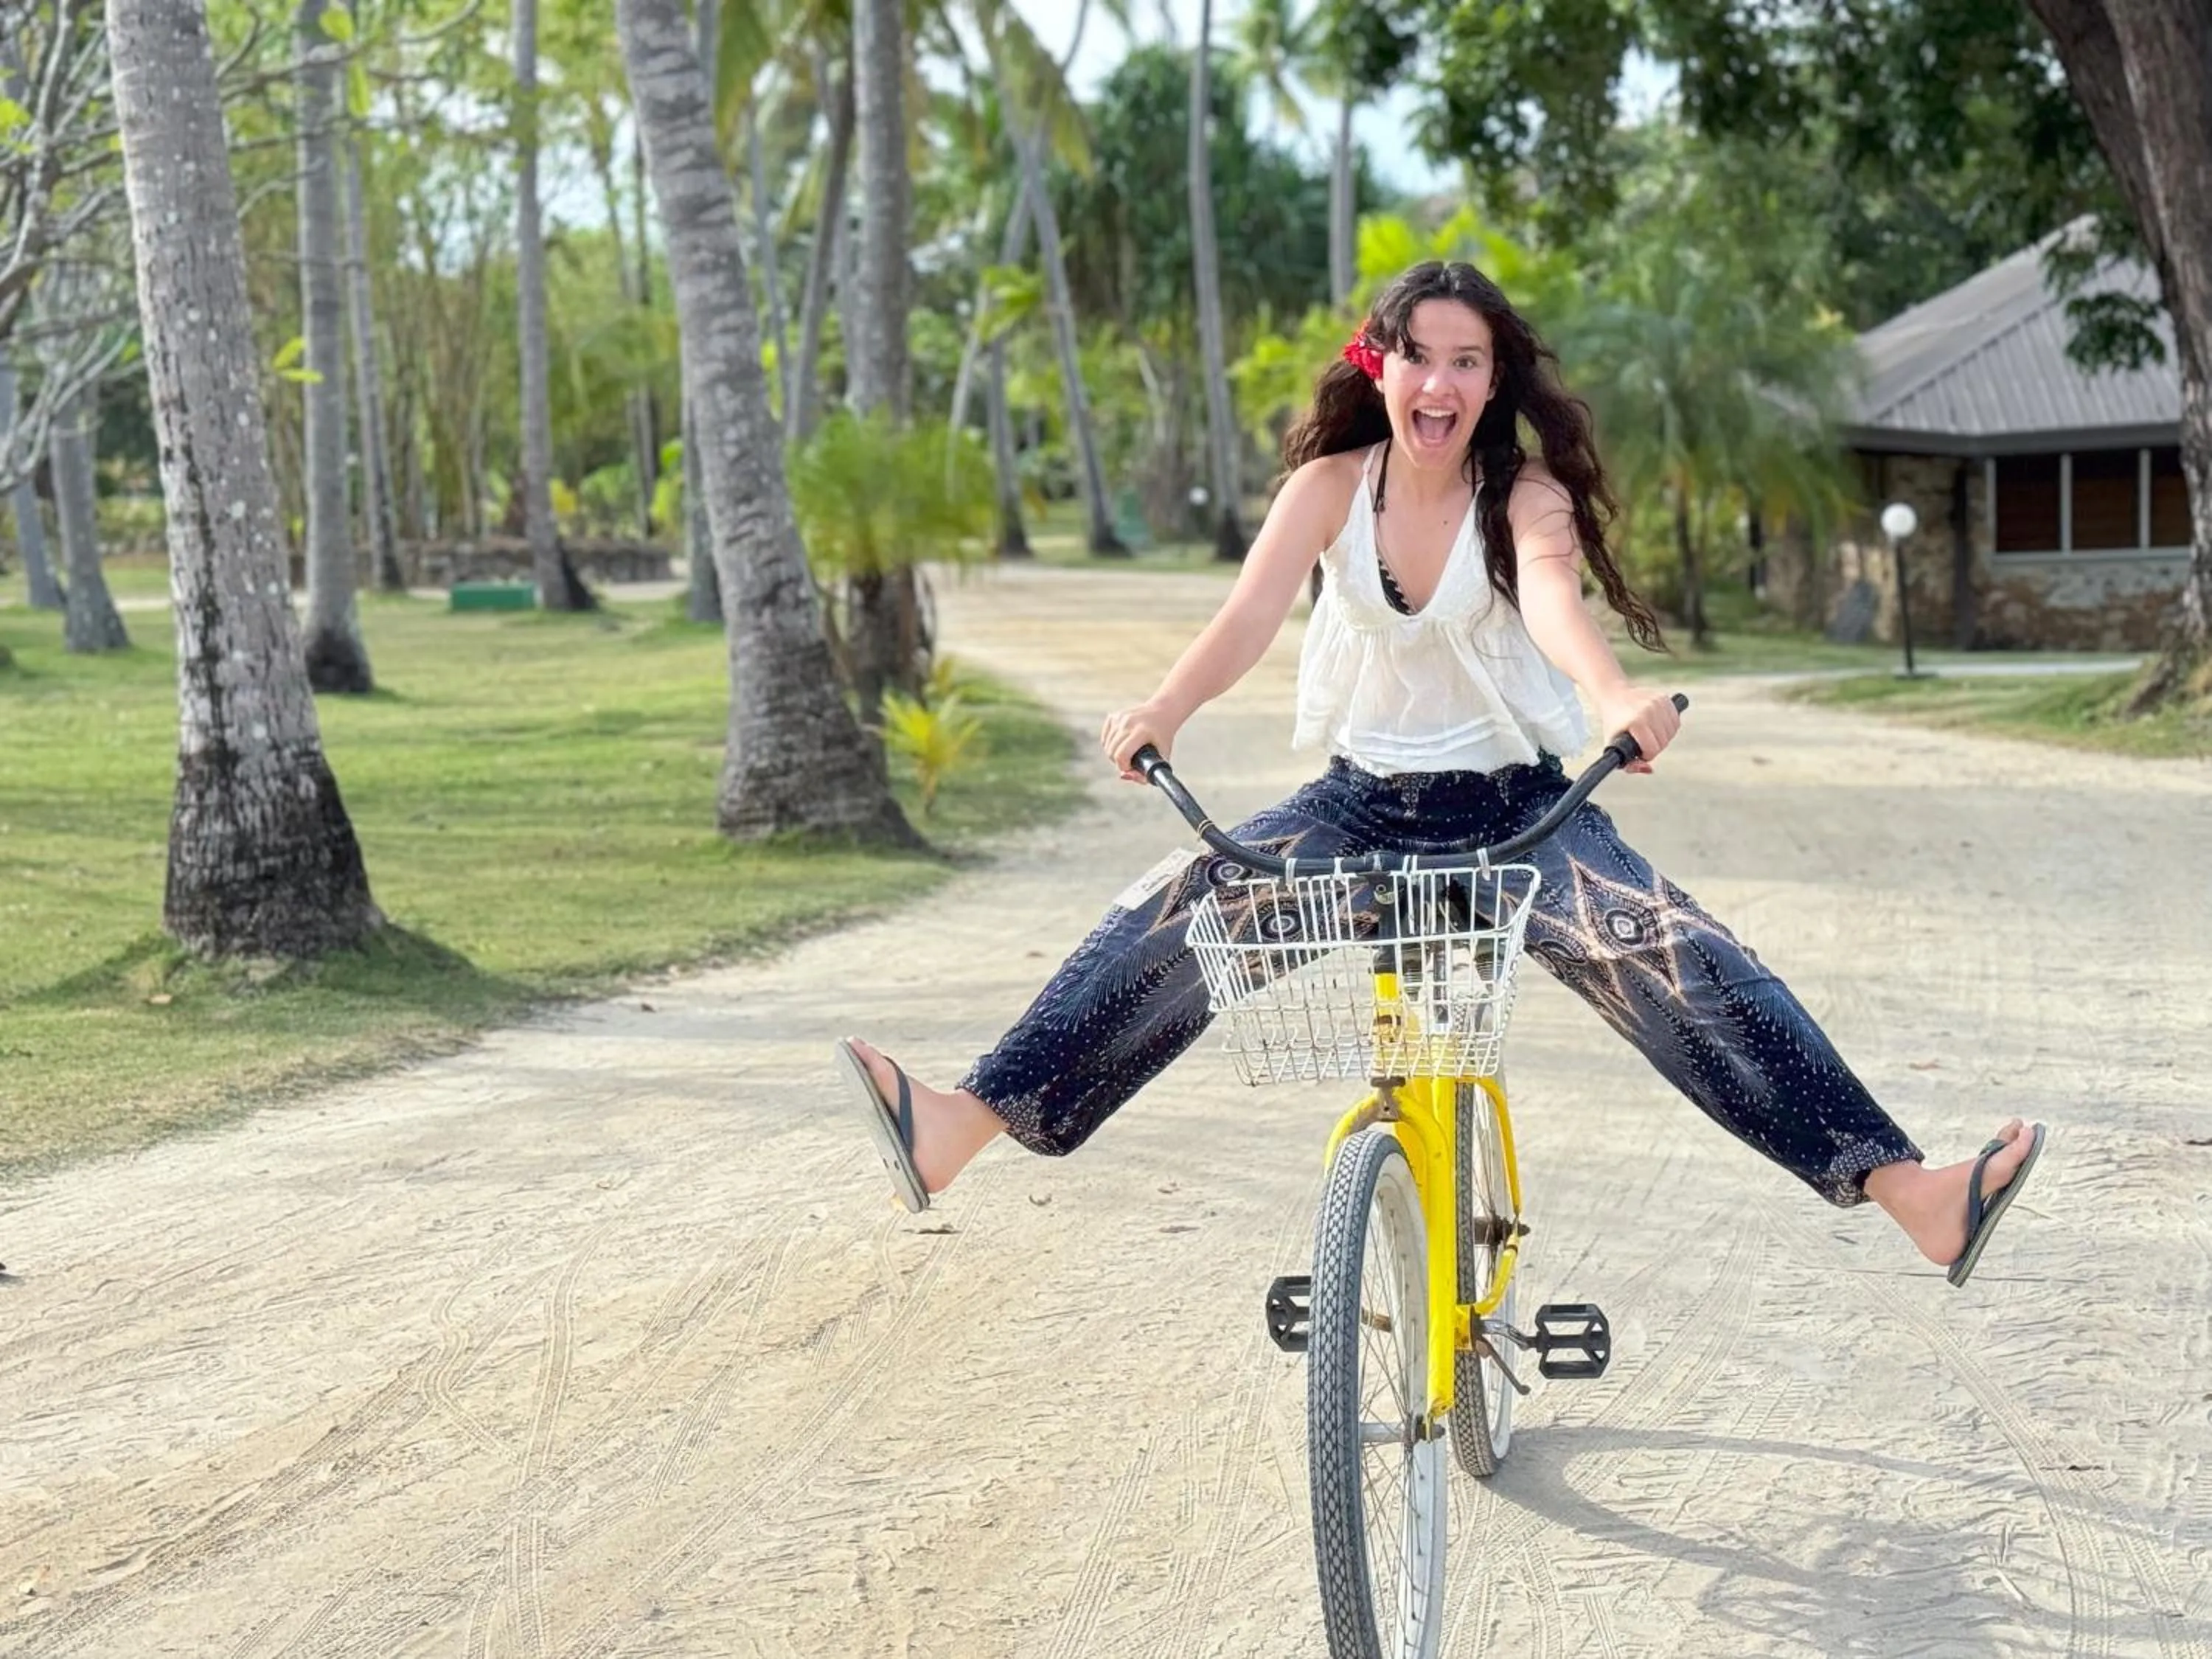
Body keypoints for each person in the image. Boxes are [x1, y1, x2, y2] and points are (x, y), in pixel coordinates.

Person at [832, 260, 2043, 1289]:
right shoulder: (1327, 490)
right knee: (1174, 910)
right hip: (1356, 810)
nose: (1441, 383)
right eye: (1419, 356)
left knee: (1682, 954)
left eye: (1469, 362)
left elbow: (1557, 605)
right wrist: (1164, 709)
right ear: (1380, 366)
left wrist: (1611, 697)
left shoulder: (1523, 496)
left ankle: (1913, 1194)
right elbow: (1246, 618)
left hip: (1519, 818)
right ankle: (960, 1126)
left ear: (1493, 382)